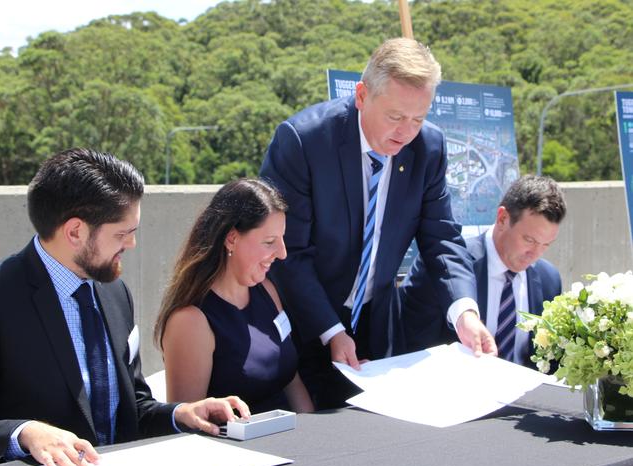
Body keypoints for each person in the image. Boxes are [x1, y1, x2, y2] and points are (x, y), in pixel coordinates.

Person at [260, 37, 495, 409]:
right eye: (395, 117)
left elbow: (442, 239)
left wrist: (464, 311)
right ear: (362, 96)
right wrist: (332, 331)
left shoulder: (428, 148)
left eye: (418, 118)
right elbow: (289, 253)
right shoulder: (305, 141)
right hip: (304, 323)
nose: (406, 132)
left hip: (378, 324)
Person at [0, 148, 250, 466]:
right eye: (123, 234)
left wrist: (181, 414)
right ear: (75, 232)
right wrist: (24, 433)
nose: (132, 245)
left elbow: (131, 407)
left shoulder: (114, 291)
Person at [154, 179, 313, 414]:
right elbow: (188, 425)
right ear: (232, 238)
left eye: (282, 239)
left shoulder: (267, 291)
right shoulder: (190, 321)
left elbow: (292, 381)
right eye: (269, 242)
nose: (282, 253)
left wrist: (312, 433)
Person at [399, 175, 567, 367]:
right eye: (529, 240)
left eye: (546, 245)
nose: (535, 254)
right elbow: (413, 349)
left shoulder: (549, 280)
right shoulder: (443, 266)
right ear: (502, 218)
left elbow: (549, 362)